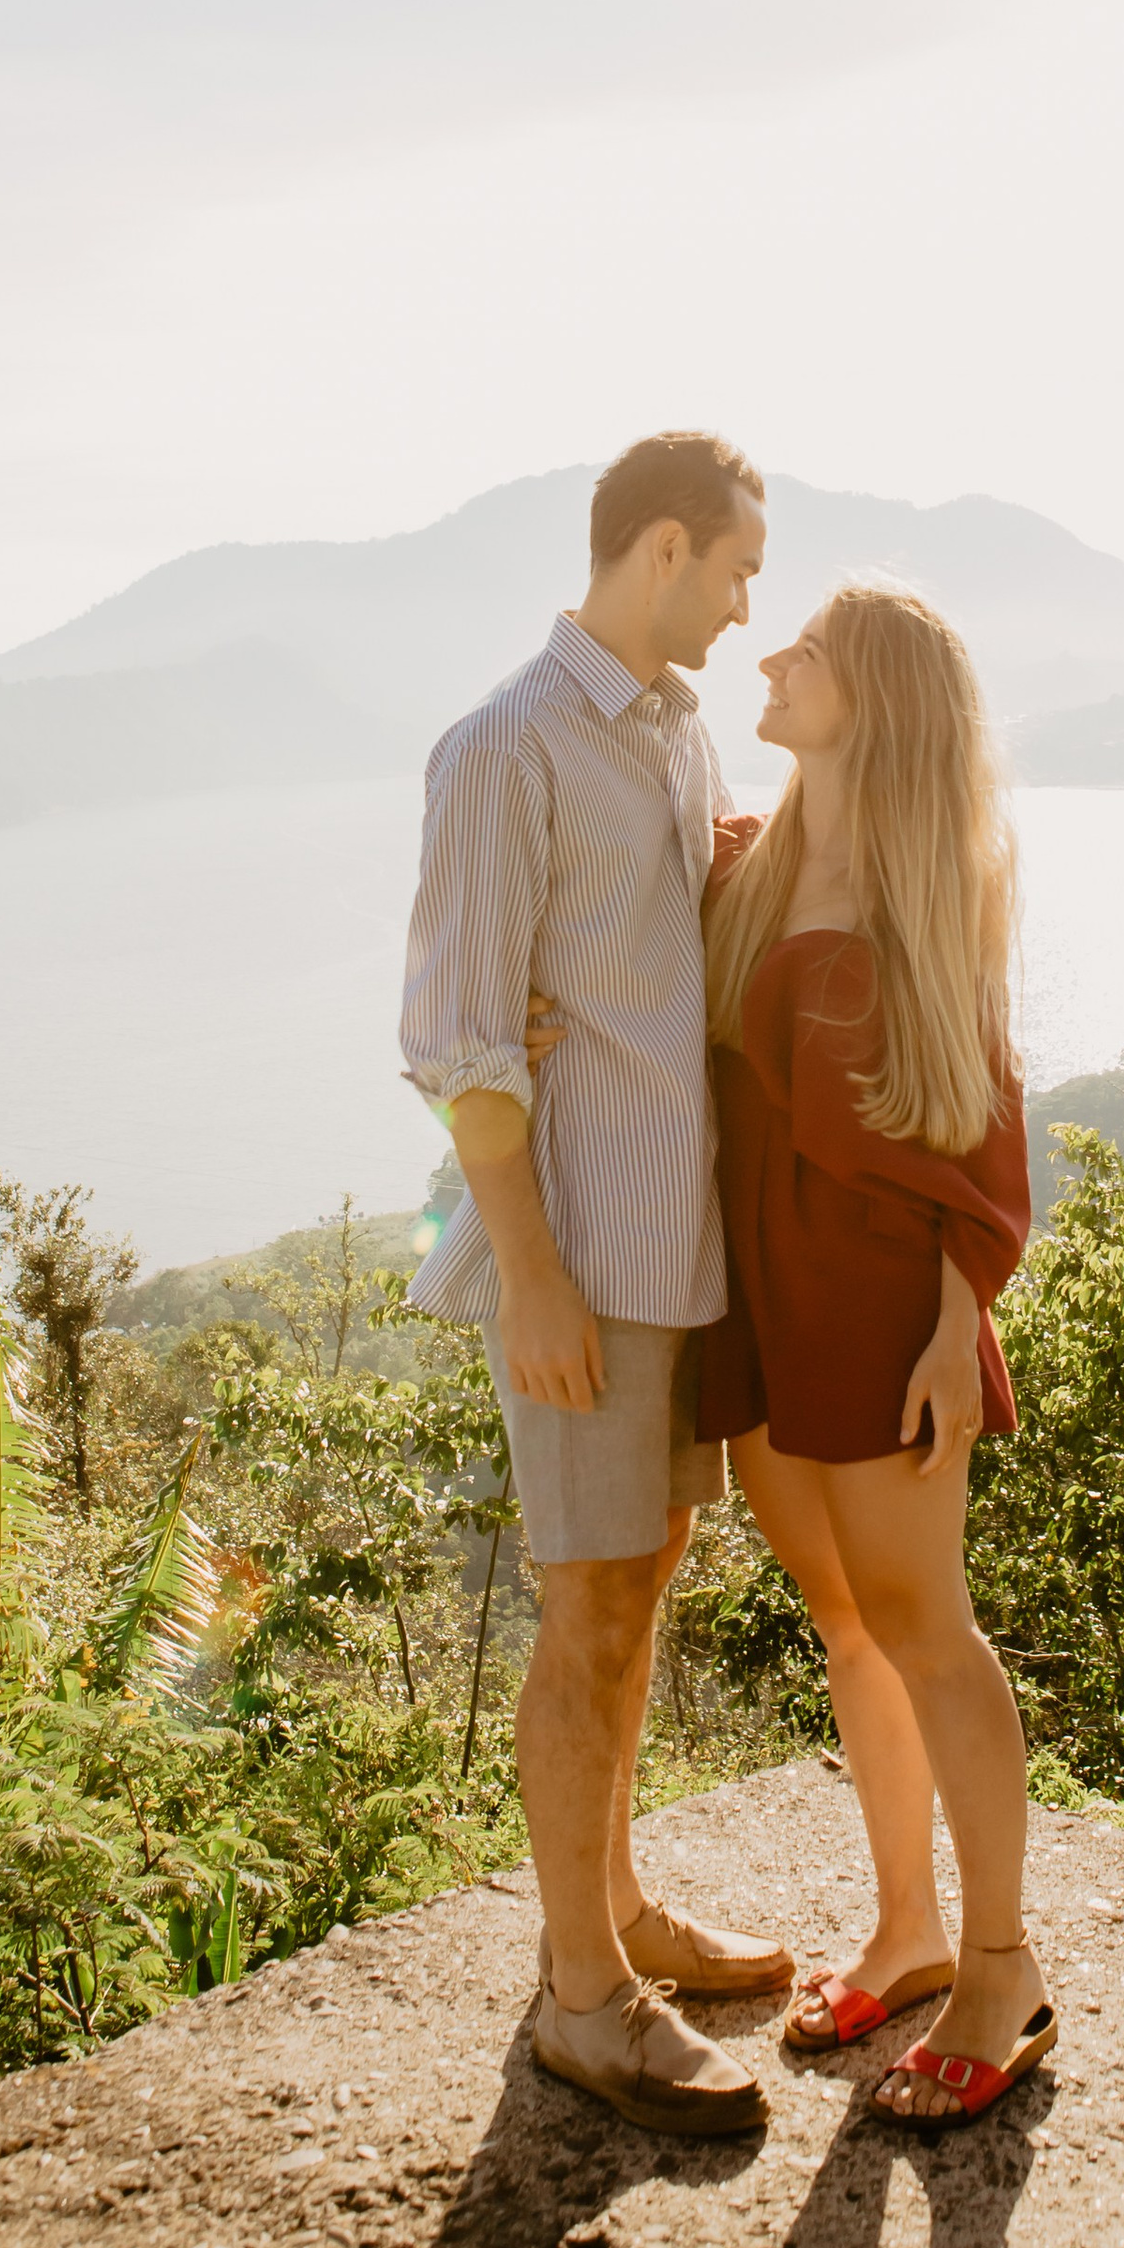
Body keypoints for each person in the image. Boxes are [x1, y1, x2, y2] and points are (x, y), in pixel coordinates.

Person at [400, 429, 790, 2136]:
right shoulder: (502, 747)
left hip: (673, 1239)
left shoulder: (679, 726)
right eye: (735, 570)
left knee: (639, 1593)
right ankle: (582, 2000)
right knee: (586, 1614)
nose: (744, 603)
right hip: (577, 1255)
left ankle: (615, 1904)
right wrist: (534, 1279)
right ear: (658, 552)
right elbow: (465, 1043)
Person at [695, 583, 1050, 2127]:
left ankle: (1003, 1968)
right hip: (763, 1293)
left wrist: (958, 1311)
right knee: (847, 1624)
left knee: (926, 1627)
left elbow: (985, 1121)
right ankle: (906, 1927)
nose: (768, 659)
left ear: (877, 701)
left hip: (880, 1299)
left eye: (809, 653)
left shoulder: (926, 892)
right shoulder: (748, 861)